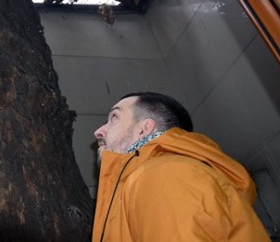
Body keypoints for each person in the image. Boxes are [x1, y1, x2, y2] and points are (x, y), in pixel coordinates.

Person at [92, 92, 270, 241]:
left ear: (144, 129)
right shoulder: (155, 176)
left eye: (114, 117)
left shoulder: (163, 173)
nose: (98, 131)